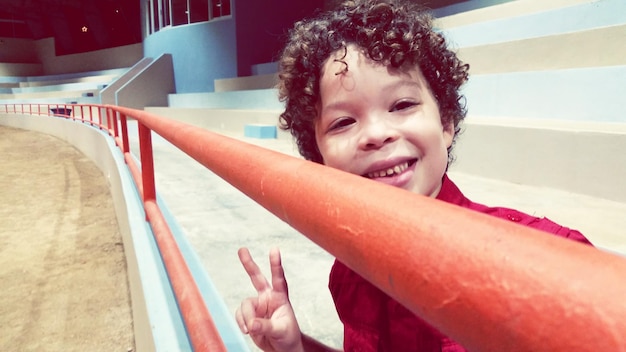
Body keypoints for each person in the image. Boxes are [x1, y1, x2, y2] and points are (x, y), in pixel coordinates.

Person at [235, 0, 593, 351]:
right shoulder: (348, 274)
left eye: (402, 105)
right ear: (319, 160)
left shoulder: (544, 262)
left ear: (446, 123)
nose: (377, 133)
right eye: (343, 122)